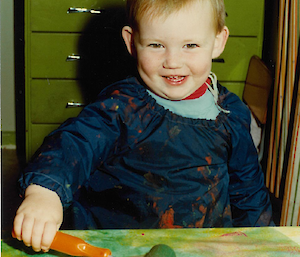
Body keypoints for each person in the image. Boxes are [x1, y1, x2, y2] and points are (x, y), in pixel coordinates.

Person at [13, 0, 274, 253]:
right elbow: (73, 144)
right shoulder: (121, 107)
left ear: (217, 42)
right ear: (131, 42)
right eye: (156, 45)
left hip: (202, 246)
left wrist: (262, 240)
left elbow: (248, 191)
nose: (173, 61)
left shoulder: (231, 113)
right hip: (120, 246)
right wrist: (45, 192)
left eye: (190, 45)